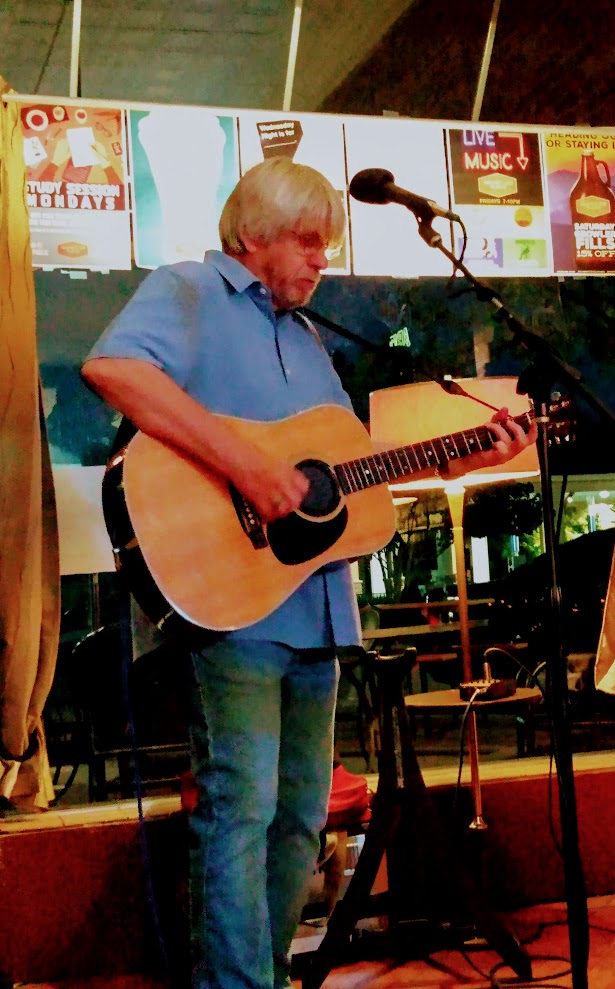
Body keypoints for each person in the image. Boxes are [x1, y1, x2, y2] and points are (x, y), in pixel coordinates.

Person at [81, 155, 536, 989]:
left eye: (326, 244)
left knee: (298, 816)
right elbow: (115, 371)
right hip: (233, 604)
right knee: (241, 805)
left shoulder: (307, 338)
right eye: (307, 241)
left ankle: (263, 973)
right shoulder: (190, 289)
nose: (322, 259)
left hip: (316, 609)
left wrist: (463, 455)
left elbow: (342, 477)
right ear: (254, 234)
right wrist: (247, 469)